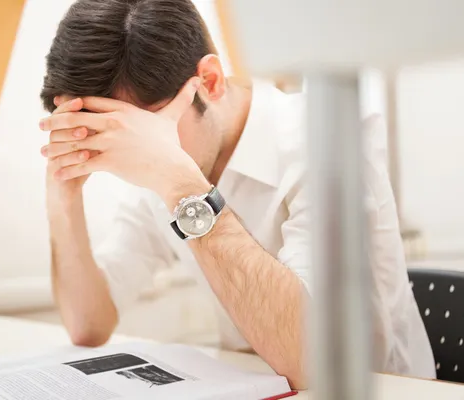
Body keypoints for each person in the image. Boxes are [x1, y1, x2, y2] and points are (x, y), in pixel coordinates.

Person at [38, 0, 435, 389]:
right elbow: (89, 324)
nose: (130, 156)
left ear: (209, 82)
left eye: (142, 133)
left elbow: (312, 360)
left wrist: (182, 186)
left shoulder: (329, 137)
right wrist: (62, 196)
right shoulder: (157, 163)